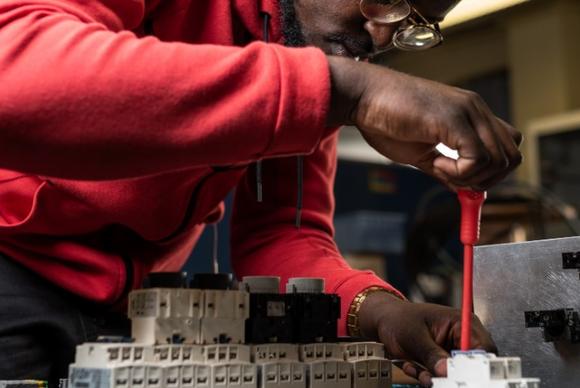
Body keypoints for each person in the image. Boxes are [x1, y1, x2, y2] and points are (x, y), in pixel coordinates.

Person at [0, 0, 520, 385]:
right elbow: (14, 70)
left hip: (135, 313)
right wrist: (341, 92)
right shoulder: (320, 77)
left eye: (414, 23)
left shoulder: (303, 48)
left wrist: (380, 312)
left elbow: (281, 233)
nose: (382, 35)